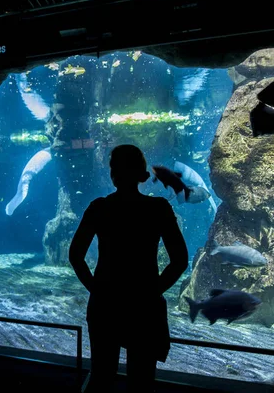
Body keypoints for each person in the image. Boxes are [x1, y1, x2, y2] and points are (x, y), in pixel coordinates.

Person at [69, 144, 188, 393]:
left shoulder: (99, 207)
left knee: (101, 376)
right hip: (144, 306)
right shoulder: (158, 209)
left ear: (113, 173)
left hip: (105, 304)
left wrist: (96, 289)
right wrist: (153, 290)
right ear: (141, 172)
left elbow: (76, 256)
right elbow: (180, 260)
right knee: (142, 380)